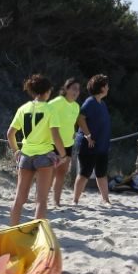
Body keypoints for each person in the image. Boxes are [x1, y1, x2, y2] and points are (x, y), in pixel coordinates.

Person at [6, 74, 66, 225]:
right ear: (47, 91)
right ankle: (35, 235)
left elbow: (10, 134)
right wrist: (63, 154)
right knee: (41, 200)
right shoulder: (50, 109)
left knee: (19, 198)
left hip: (25, 155)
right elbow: (55, 135)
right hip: (44, 157)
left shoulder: (23, 108)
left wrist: (15, 151)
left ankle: (12, 231)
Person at [73, 74, 112, 205]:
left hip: (102, 146)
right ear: (101, 88)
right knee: (85, 173)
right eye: (106, 86)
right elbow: (80, 118)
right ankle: (75, 200)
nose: (108, 88)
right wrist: (88, 136)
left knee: (101, 173)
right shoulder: (90, 102)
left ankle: (105, 200)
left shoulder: (102, 103)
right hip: (88, 145)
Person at [48, 79, 87, 207]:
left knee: (61, 173)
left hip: (68, 144)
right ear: (66, 89)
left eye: (78, 89)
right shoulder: (58, 102)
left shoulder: (76, 106)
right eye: (74, 88)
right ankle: (41, 199)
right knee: (49, 173)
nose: (76, 91)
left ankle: (56, 201)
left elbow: (71, 124)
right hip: (53, 143)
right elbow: (44, 115)